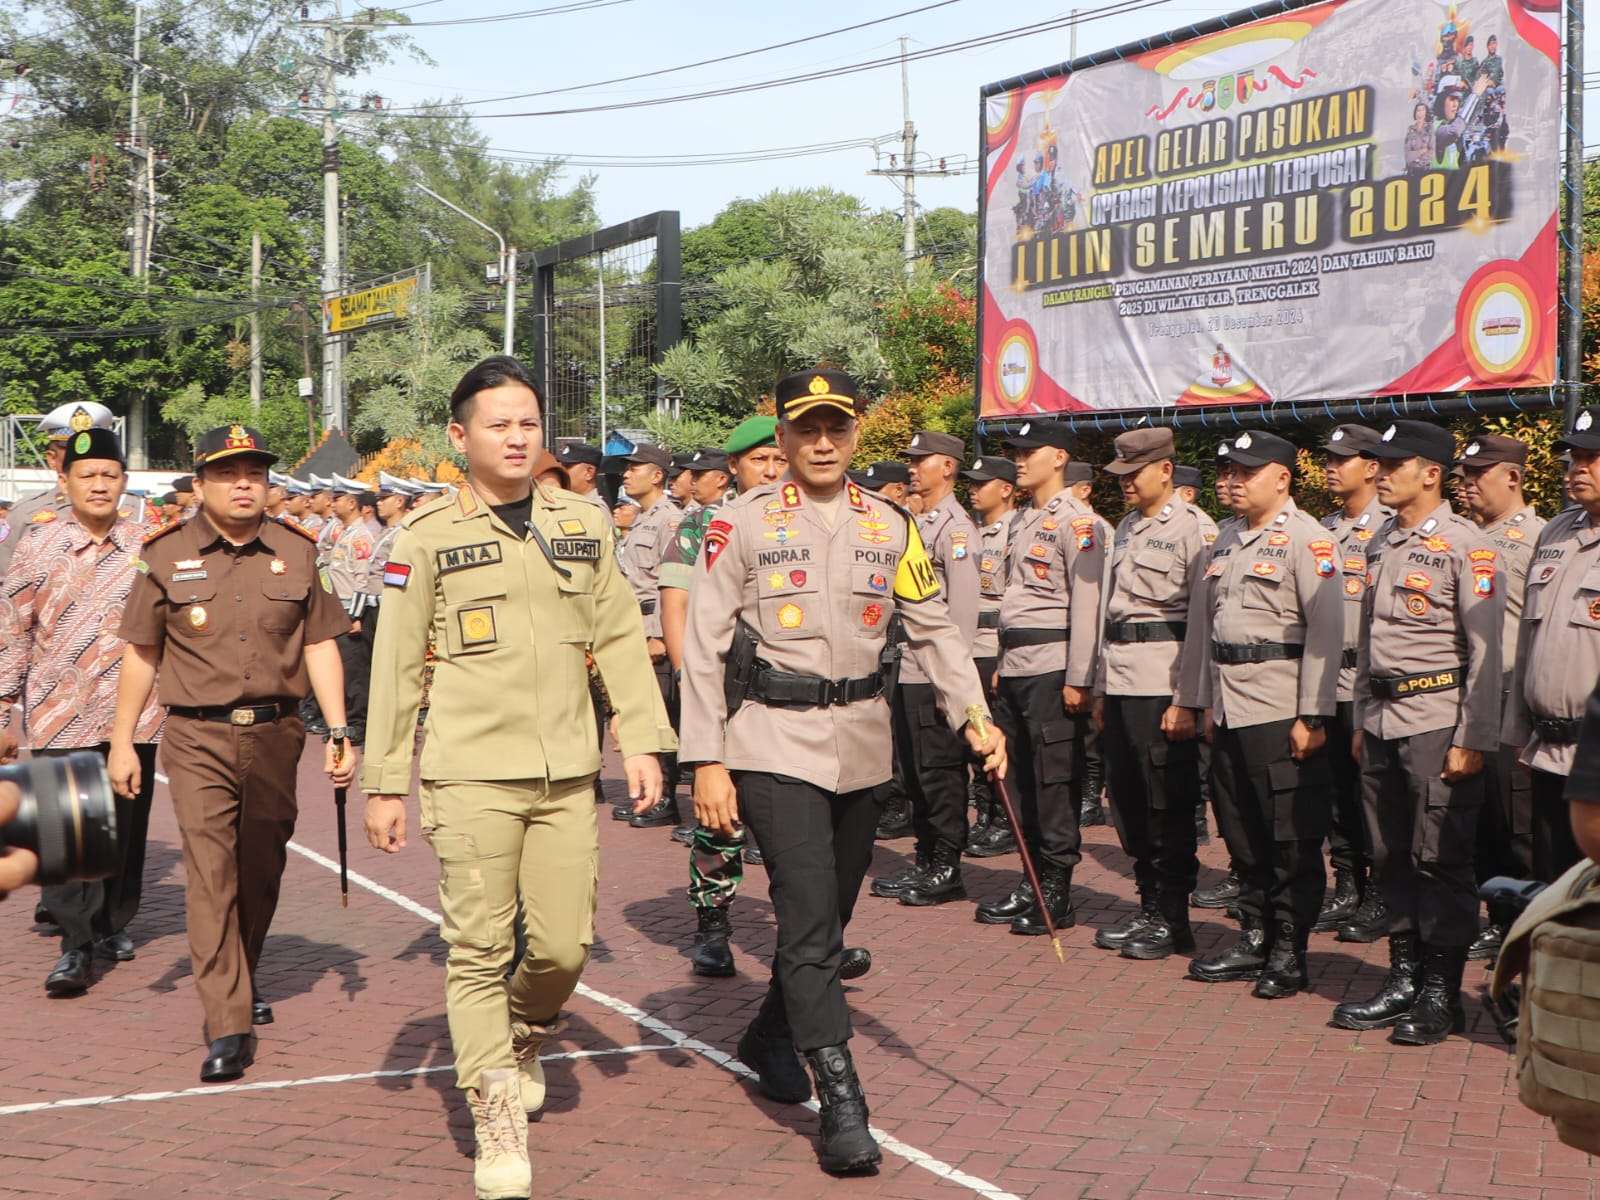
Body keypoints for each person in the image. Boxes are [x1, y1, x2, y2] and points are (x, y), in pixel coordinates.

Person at [679, 368, 1004, 1175]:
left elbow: (932, 627)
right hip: (770, 743)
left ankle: (768, 1033)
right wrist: (706, 761)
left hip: (862, 745)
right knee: (809, 913)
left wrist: (974, 714)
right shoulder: (741, 522)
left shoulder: (891, 526)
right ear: (782, 438)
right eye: (806, 429)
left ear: (856, 435)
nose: (822, 442)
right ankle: (843, 1100)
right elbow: (705, 645)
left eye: (837, 427)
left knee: (830, 918)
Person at [362, 356, 672, 1200]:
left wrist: (642, 739)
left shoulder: (583, 522)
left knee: (564, 947)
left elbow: (616, 635)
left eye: (528, 422)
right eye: (498, 424)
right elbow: (394, 669)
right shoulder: (424, 538)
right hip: (467, 775)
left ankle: (526, 1033)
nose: (517, 436)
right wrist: (385, 780)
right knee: (477, 948)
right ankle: (495, 1122)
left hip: (569, 771)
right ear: (459, 438)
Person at [109, 423, 356, 1083]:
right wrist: (124, 740)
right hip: (196, 737)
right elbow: (141, 652)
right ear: (201, 484)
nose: (244, 483)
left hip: (278, 734)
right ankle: (227, 1021)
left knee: (260, 865)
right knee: (211, 876)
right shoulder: (163, 554)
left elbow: (319, 644)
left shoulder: (299, 552)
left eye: (254, 472)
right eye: (228, 473)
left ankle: (240, 976)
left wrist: (339, 730)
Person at [1331, 421, 1502, 1044]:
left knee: (1441, 860)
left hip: (1436, 719)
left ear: (1430, 473)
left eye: (1392, 464)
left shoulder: (1468, 546)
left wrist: (1472, 737)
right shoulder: (1379, 541)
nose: (1378, 473)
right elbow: (1368, 640)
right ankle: (1403, 976)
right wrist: (1357, 715)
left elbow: (1486, 653)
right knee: (1390, 853)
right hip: (1379, 719)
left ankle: (1439, 992)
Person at [0, 427, 165, 997]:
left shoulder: (152, 546)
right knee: (67, 828)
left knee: (124, 826)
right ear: (64, 480)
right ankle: (75, 943)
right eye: (87, 475)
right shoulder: (37, 547)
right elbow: (14, 631)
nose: (99, 485)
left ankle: (111, 923)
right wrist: (3, 708)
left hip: (137, 713)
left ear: (124, 482)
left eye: (110, 475)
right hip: (56, 709)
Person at [1185, 431, 1340, 999]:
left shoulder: (1309, 539)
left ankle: (1288, 950)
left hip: (1279, 707)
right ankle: (1253, 934)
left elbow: (1326, 632)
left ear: (1282, 478)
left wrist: (1314, 715)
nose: (1234, 479)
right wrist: (1200, 701)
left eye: (1247, 471)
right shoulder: (1224, 540)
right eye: (1230, 470)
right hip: (1229, 707)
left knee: (1288, 838)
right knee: (1240, 830)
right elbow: (1206, 631)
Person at [659, 417, 786, 977]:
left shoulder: (806, 520)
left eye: (778, 459)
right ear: (733, 467)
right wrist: (691, 679)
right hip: (726, 689)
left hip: (787, 696)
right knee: (719, 815)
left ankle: (806, 941)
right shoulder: (702, 526)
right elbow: (675, 603)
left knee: (792, 820)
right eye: (760, 460)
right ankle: (713, 927)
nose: (773, 469)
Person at [974, 420, 1105, 936]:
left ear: (1059, 458)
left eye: (1029, 451)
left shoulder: (1078, 521)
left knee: (1053, 783)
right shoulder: (1021, 520)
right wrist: (1003, 665)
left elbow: (1089, 604)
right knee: (1020, 779)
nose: (1019, 459)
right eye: (1013, 451)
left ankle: (1057, 890)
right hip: (1019, 665)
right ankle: (1031, 878)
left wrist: (1081, 677)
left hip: (1055, 668)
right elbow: (1011, 601)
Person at [1091, 428, 1211, 959]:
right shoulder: (1126, 527)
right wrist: (1098, 685)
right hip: (1119, 678)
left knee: (1168, 803)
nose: (1124, 486)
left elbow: (1203, 625)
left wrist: (1187, 698)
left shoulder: (1196, 530)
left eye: (1132, 475)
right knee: (1129, 802)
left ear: (1164, 469)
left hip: (1162, 682)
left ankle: (1173, 916)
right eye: (1118, 477)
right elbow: (1109, 614)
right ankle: (1148, 905)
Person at [871, 431, 981, 907]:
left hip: (931, 670)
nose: (912, 468)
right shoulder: (913, 521)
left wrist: (949, 683)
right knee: (914, 772)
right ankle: (925, 858)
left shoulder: (957, 530)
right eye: (910, 460)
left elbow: (960, 614)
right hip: (904, 665)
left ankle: (947, 866)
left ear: (949, 468)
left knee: (940, 771)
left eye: (923, 460)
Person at [1503, 408, 1600, 883]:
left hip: (1595, 755)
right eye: (1573, 458)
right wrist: (1517, 727)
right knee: (1552, 890)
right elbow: (1528, 638)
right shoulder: (1555, 531)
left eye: (1592, 457)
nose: (1577, 468)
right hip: (1548, 749)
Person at [1460, 433, 1544, 963]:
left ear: (1512, 477)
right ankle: (1494, 917)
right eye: (1464, 476)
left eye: (1477, 476)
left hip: (1514, 695)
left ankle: (1522, 923)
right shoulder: (1460, 536)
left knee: (1519, 823)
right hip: (1468, 696)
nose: (1466, 485)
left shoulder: (1541, 538)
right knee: (1478, 818)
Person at [1315, 425, 1391, 943]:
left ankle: (1381, 894)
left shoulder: (1388, 528)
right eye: (1329, 458)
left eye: (1344, 459)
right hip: (1328, 677)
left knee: (1372, 794)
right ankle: (1347, 884)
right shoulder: (1321, 529)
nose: (1331, 466)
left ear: (1371, 467)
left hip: (1366, 680)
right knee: (1335, 791)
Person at [616, 442, 685, 828]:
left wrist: (660, 634)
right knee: (647, 709)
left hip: (654, 627)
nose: (627, 474)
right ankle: (651, 793)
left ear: (656, 475)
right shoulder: (642, 518)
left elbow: (670, 584)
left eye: (635, 467)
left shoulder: (667, 520)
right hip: (636, 627)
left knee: (664, 716)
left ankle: (667, 797)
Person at [962, 455, 1019, 857]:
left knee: (996, 736)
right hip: (971, 646)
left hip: (994, 648)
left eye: (982, 483)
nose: (973, 488)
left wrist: (1004, 657)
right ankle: (984, 814)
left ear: (1005, 489)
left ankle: (1002, 818)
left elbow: (1016, 602)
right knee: (975, 738)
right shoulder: (972, 532)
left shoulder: (1017, 532)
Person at [0, 401, 125, 579]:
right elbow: (5, 581)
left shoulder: (136, 509)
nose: (83, 456)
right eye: (72, 448)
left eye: (95, 449)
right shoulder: (24, 514)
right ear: (52, 459)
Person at [1066, 458, 1110, 826]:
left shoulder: (1096, 528)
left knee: (1091, 734)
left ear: (1084, 490)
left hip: (1095, 639)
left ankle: (1091, 796)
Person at [555, 442, 613, 525]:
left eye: (567, 466)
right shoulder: (571, 503)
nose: (561, 470)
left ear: (589, 472)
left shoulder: (596, 511)